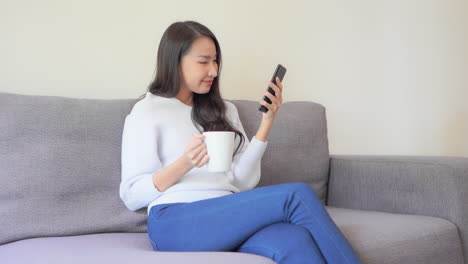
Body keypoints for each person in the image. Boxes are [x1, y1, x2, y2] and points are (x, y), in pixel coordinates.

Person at [120, 20, 361, 264]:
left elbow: (242, 182)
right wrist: (185, 162)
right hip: (175, 221)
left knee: (294, 239)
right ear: (175, 62)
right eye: (204, 62)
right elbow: (131, 194)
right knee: (295, 195)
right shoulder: (147, 111)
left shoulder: (224, 110)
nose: (213, 71)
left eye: (215, 61)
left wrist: (267, 122)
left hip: (227, 213)